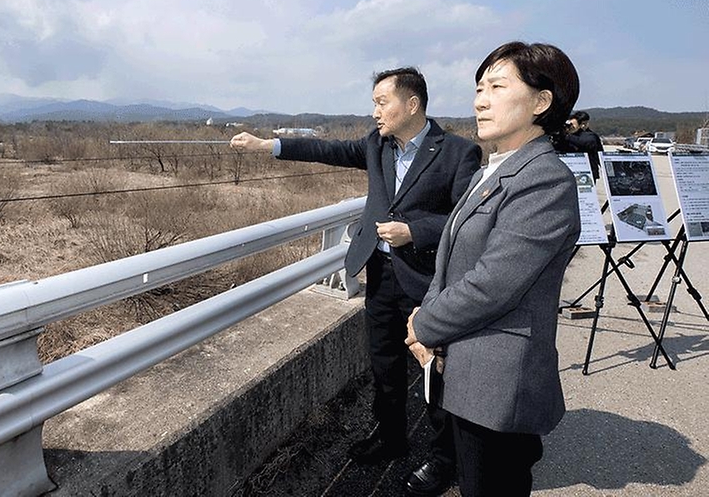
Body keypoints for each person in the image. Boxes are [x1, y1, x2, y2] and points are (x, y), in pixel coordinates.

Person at [231, 68, 481, 495]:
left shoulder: (459, 153)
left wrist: (415, 231)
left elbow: (465, 220)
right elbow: (325, 148)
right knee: (383, 364)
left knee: (436, 370)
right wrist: (266, 145)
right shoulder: (375, 145)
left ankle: (444, 460)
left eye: (382, 101)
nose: (375, 111)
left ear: (412, 104)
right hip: (380, 274)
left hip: (425, 281)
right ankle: (390, 438)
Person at [406, 42, 581, 496]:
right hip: (468, 373)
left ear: (541, 102)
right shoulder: (497, 168)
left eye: (497, 87)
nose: (480, 99)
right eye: (479, 88)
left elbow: (493, 284)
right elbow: (451, 263)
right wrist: (429, 320)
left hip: (499, 385)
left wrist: (425, 323)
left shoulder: (544, 179)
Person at [566, 110, 604, 180]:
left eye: (585, 123)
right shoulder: (570, 136)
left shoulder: (590, 135)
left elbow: (588, 142)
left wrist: (566, 136)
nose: (584, 126)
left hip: (588, 171)